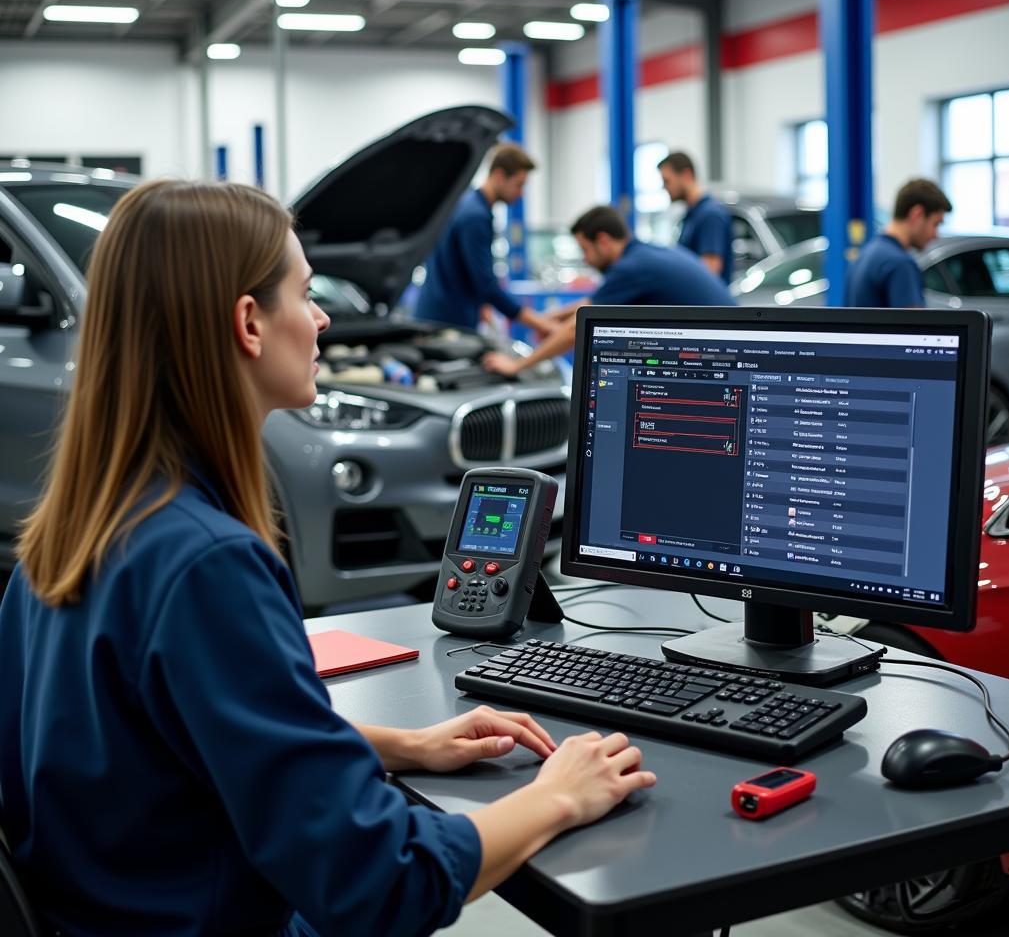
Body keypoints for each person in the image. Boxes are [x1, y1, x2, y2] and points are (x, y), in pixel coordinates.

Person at [0, 180, 656, 937]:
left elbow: (165, 742)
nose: (321, 320)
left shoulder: (65, 537)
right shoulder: (206, 568)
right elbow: (383, 879)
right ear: (249, 322)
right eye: (306, 294)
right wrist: (559, 797)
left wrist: (399, 746)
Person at [484, 205, 735, 377]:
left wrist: (517, 365)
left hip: (722, 357)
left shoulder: (631, 267)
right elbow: (592, 303)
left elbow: (577, 328)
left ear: (603, 241)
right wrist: (547, 320)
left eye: (585, 249)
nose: (586, 259)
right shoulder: (644, 254)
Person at [414, 143, 554, 335]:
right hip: (449, 325)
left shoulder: (466, 202)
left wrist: (483, 305)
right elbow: (485, 283)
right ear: (498, 176)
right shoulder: (476, 217)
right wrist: (538, 323)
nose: (521, 194)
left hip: (436, 315)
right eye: (519, 185)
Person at [845, 178, 951, 308]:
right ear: (917, 214)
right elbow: (914, 326)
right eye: (936, 224)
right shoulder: (900, 264)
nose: (936, 235)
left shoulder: (865, 254)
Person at [658, 151, 734, 282]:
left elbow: (710, 271)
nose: (664, 187)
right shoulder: (692, 215)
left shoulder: (711, 215)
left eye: (667, 181)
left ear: (686, 175)